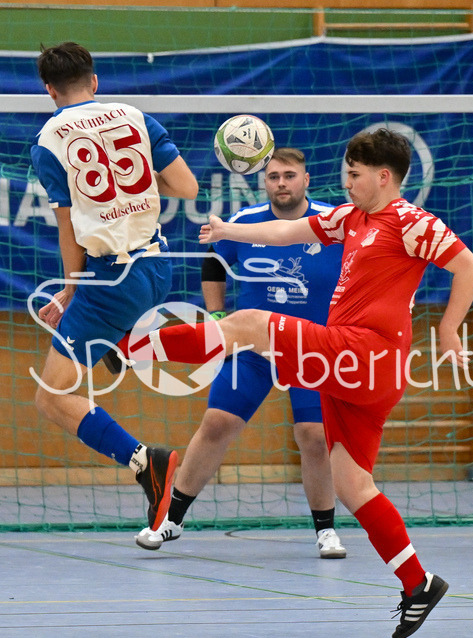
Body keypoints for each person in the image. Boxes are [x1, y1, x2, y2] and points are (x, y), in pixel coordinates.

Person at [125, 128, 473, 638]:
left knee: (249, 324)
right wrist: (230, 232)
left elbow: (469, 265)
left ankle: (127, 345)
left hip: (367, 352)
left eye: (354, 175)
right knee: (353, 484)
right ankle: (418, 583)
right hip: (355, 368)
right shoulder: (350, 218)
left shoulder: (410, 221)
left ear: (384, 177)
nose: (347, 182)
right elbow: (287, 233)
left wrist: (448, 328)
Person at [134, 148, 347, 559]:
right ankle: (170, 521)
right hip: (252, 345)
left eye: (289, 176)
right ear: (263, 182)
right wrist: (217, 317)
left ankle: (326, 531)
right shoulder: (242, 223)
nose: (280, 183)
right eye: (273, 177)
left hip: (313, 348)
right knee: (216, 423)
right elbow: (214, 262)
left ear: (306, 180)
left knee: (315, 437)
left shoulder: (332, 223)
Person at [29, 42, 199, 530]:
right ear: (95, 81)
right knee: (104, 336)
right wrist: (140, 189)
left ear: (49, 89)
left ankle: (146, 462)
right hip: (157, 266)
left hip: (111, 277)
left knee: (51, 396)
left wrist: (71, 287)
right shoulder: (133, 116)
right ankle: (124, 345)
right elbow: (187, 187)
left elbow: (68, 229)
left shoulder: (48, 140)